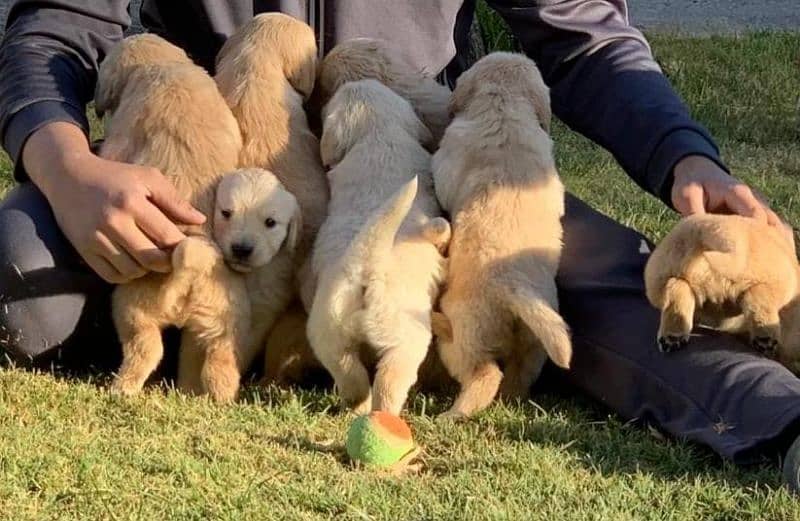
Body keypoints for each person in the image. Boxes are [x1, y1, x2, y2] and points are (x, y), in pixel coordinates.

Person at [2, 0, 800, 488]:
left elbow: (581, 35)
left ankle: (780, 420)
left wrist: (682, 152)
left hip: (424, 161)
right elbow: (55, 29)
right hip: (224, 183)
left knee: (597, 285)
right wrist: (66, 164)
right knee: (20, 262)